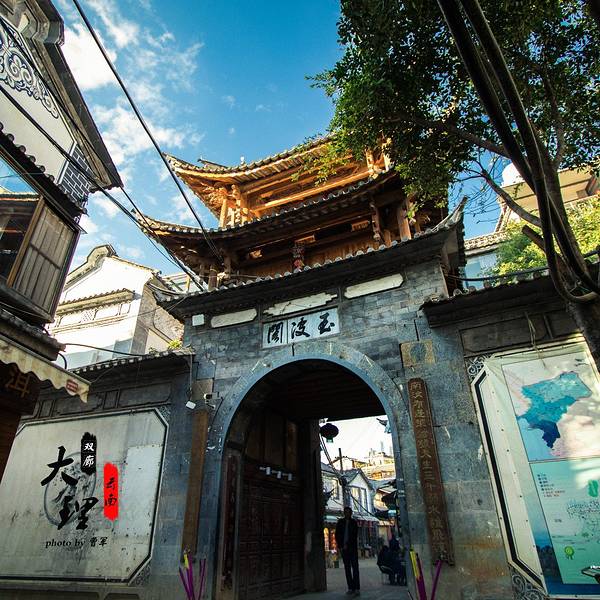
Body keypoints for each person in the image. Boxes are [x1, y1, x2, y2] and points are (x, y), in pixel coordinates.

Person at [335, 506, 360, 596]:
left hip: (352, 548)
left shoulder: (354, 523)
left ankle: (356, 588)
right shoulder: (340, 522)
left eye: (348, 512)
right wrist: (340, 546)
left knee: (355, 568)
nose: (347, 514)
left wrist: (347, 544)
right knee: (347, 569)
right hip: (344, 549)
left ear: (351, 513)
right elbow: (337, 534)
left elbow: (354, 536)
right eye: (345, 512)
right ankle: (350, 587)